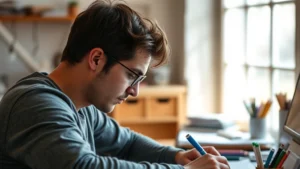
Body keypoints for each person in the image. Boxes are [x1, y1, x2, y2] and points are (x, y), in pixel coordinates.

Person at [0, 0, 230, 169]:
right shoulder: (35, 103)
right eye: (132, 76)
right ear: (97, 59)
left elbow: (127, 143)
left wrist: (177, 156)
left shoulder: (82, 106)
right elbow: (84, 167)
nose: (134, 91)